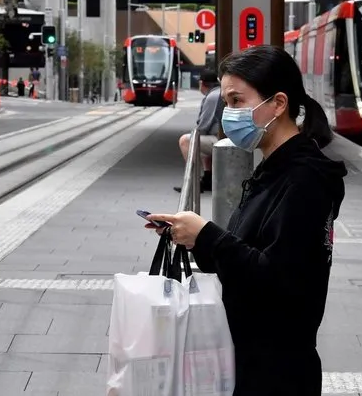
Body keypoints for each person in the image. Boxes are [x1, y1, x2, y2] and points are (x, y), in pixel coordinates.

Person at [146, 45, 348, 396]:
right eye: (226, 102)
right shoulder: (274, 170)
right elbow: (247, 252)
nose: (228, 113)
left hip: (277, 371)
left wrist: (208, 235)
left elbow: (278, 277)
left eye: (238, 101)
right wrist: (192, 236)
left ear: (278, 104)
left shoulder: (305, 180)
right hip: (251, 360)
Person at [174, 70, 223, 193]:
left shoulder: (212, 96)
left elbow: (204, 125)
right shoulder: (218, 92)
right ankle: (208, 178)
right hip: (221, 136)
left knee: (185, 140)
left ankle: (193, 182)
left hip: (220, 139)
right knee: (202, 144)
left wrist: (195, 133)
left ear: (202, 83)